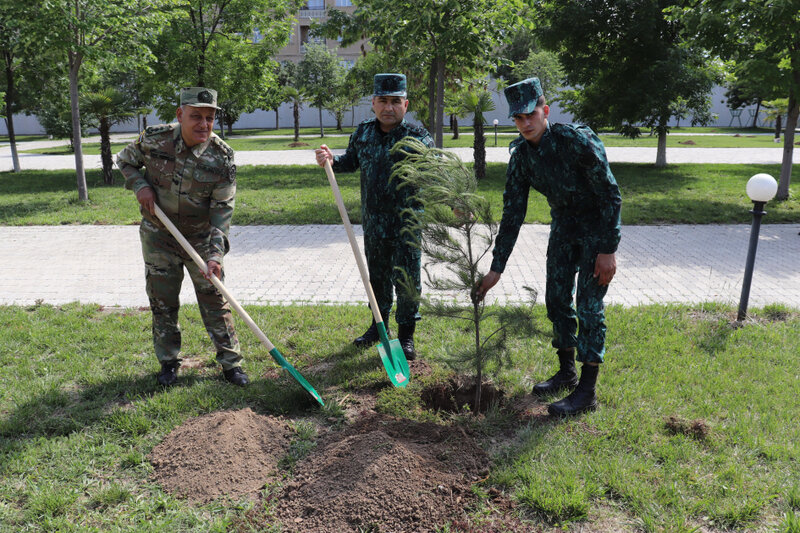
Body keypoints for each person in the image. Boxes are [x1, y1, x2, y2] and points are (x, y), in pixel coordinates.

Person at [475, 77, 621, 416]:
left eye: (531, 115)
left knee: (588, 305)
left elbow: (610, 194)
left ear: (545, 110)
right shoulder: (522, 157)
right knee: (556, 299)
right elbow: (513, 214)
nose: (526, 123)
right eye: (518, 118)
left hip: (596, 231)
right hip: (564, 230)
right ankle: (567, 372)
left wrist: (608, 249)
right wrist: (497, 268)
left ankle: (587, 391)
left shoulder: (576, 142)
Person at [116, 87, 248, 387]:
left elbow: (222, 211)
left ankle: (231, 364)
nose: (204, 124)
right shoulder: (154, 139)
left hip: (200, 239)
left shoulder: (221, 158)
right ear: (180, 115)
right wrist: (140, 185)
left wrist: (215, 255)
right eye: (196, 117)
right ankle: (168, 362)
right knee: (162, 300)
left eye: (210, 118)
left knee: (215, 298)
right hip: (158, 236)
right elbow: (124, 160)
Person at [315, 73, 433, 360]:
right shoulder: (364, 132)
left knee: (407, 281)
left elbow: (435, 171)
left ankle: (406, 336)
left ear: (406, 104)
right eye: (383, 101)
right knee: (377, 279)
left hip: (407, 225)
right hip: (374, 225)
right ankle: (378, 327)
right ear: (373, 103)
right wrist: (330, 161)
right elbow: (349, 162)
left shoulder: (418, 137)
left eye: (395, 101)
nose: (388, 107)